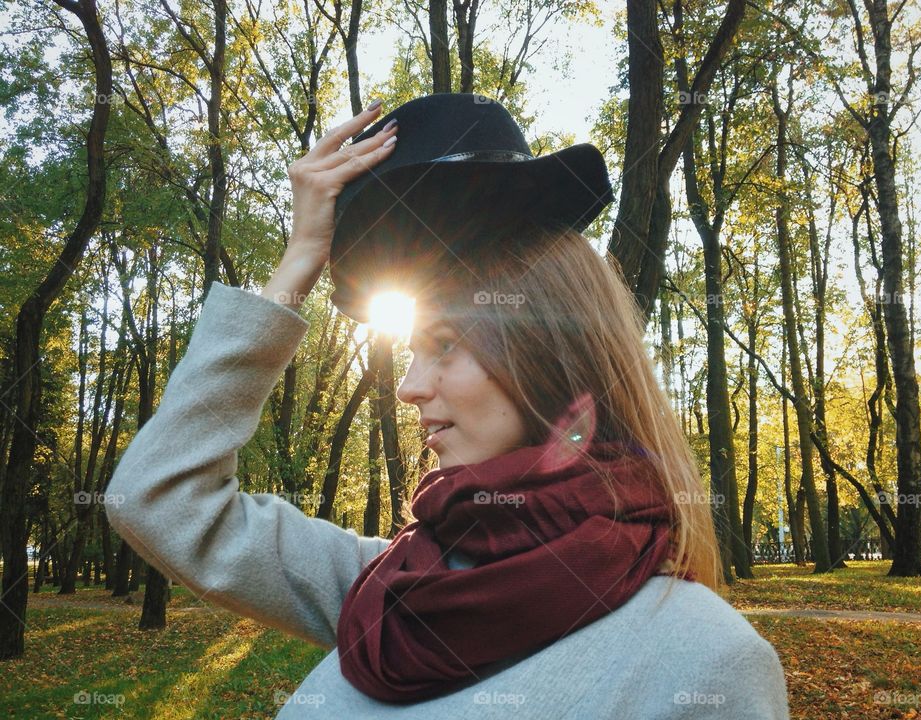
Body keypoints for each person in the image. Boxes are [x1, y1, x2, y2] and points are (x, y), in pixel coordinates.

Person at [105, 94, 789, 718]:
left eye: (444, 346)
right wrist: (296, 265)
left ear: (545, 354)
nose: (408, 387)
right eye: (409, 352)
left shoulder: (705, 661)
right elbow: (155, 499)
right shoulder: (390, 590)